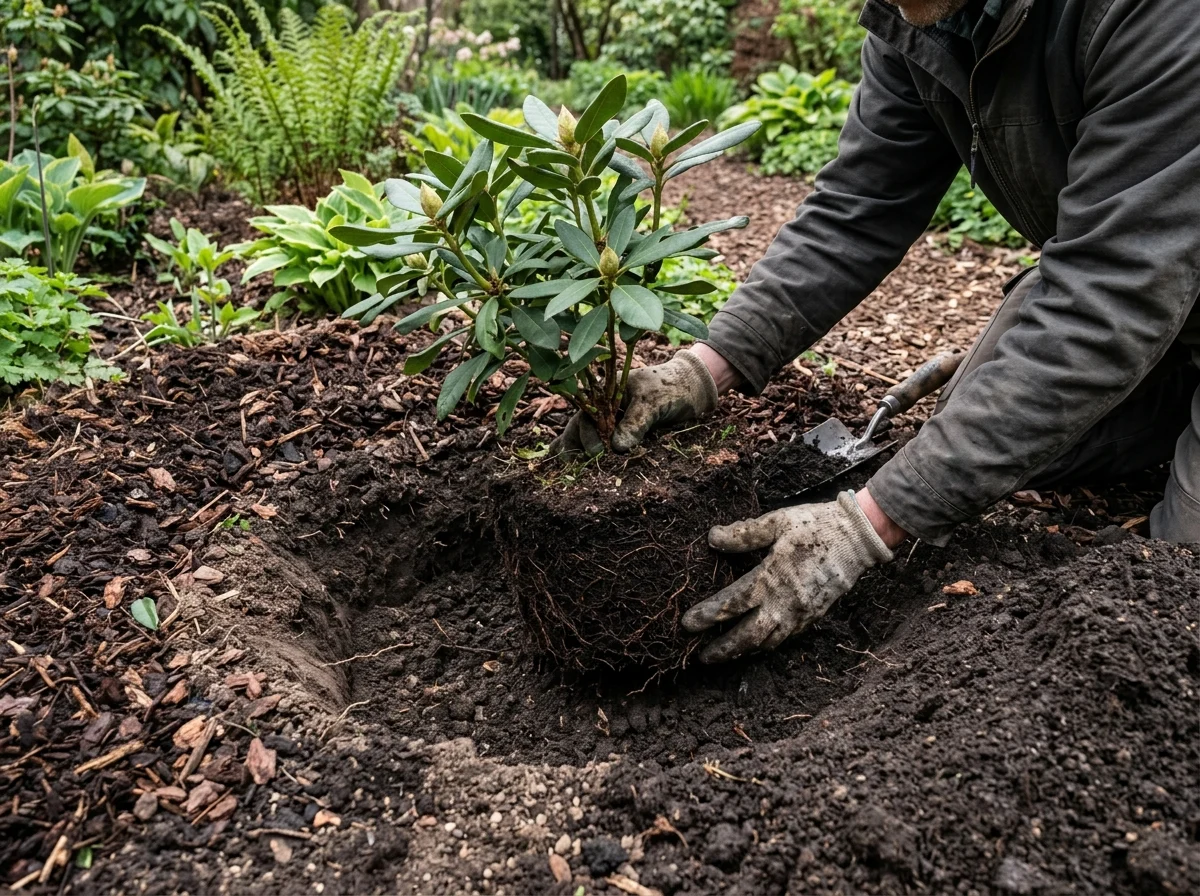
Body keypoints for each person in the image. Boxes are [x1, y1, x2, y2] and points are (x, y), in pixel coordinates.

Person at [561, 0, 1200, 663]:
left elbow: (1105, 299)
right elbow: (854, 212)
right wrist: (703, 367)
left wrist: (866, 526)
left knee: (1168, 596)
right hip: (1138, 281)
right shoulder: (918, 22)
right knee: (963, 446)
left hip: (1120, 286)